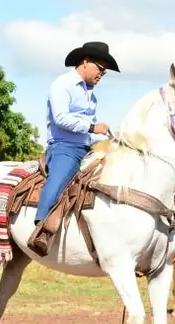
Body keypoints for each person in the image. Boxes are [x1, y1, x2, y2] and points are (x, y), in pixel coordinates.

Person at [28, 41, 118, 255]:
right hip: (64, 147)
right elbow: (60, 118)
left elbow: (89, 130)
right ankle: (42, 227)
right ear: (85, 62)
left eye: (105, 72)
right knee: (59, 177)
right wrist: (92, 126)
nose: (102, 75)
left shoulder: (91, 95)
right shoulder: (62, 84)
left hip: (85, 146)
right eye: (101, 69)